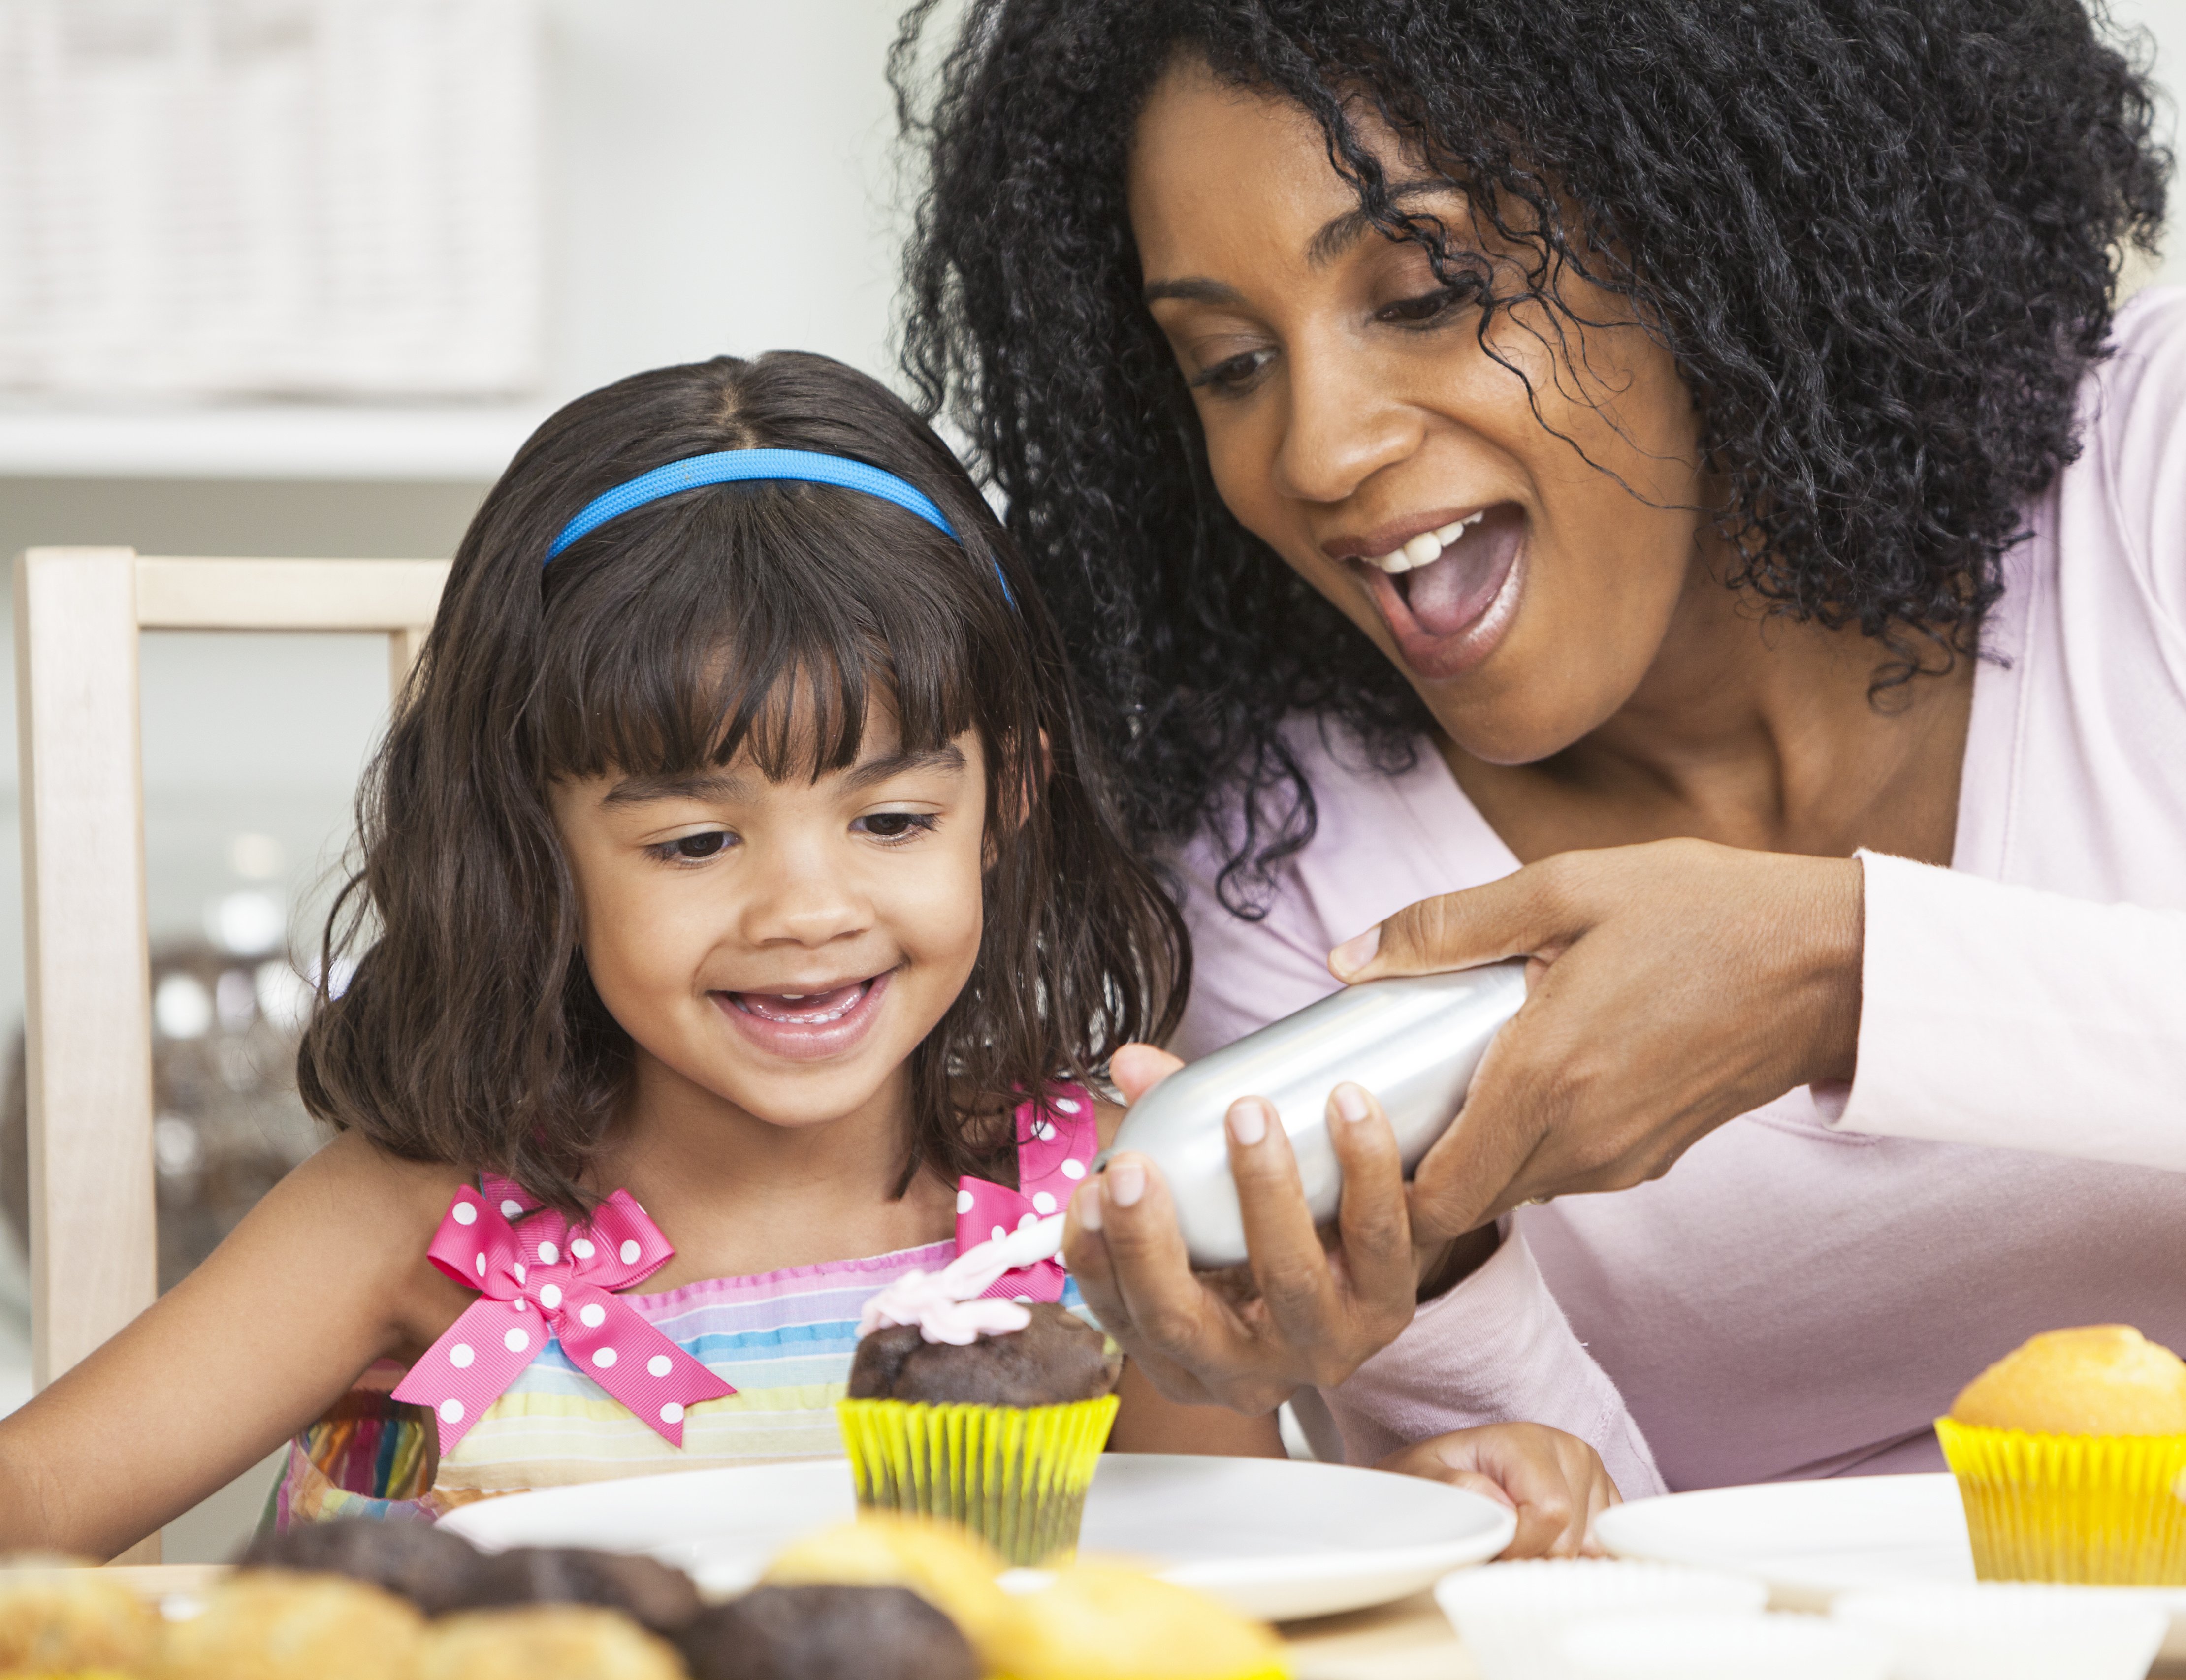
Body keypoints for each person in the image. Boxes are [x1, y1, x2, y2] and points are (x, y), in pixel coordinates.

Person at [894, 0, 2186, 1495]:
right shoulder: (1289, 872)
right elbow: (1597, 1584)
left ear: (1704, 229)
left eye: (1425, 290)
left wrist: (1852, 971)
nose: (1319, 447)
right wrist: (1441, 1291)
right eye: (1231, 366)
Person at [0, 352, 1609, 1560]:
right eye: (696, 843)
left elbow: (1215, 1577)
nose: (803, 909)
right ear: (531, 837)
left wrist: (1422, 1512)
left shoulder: (1108, 1217)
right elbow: (36, 1510)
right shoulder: (422, 1225)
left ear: (1009, 798)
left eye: (892, 820)